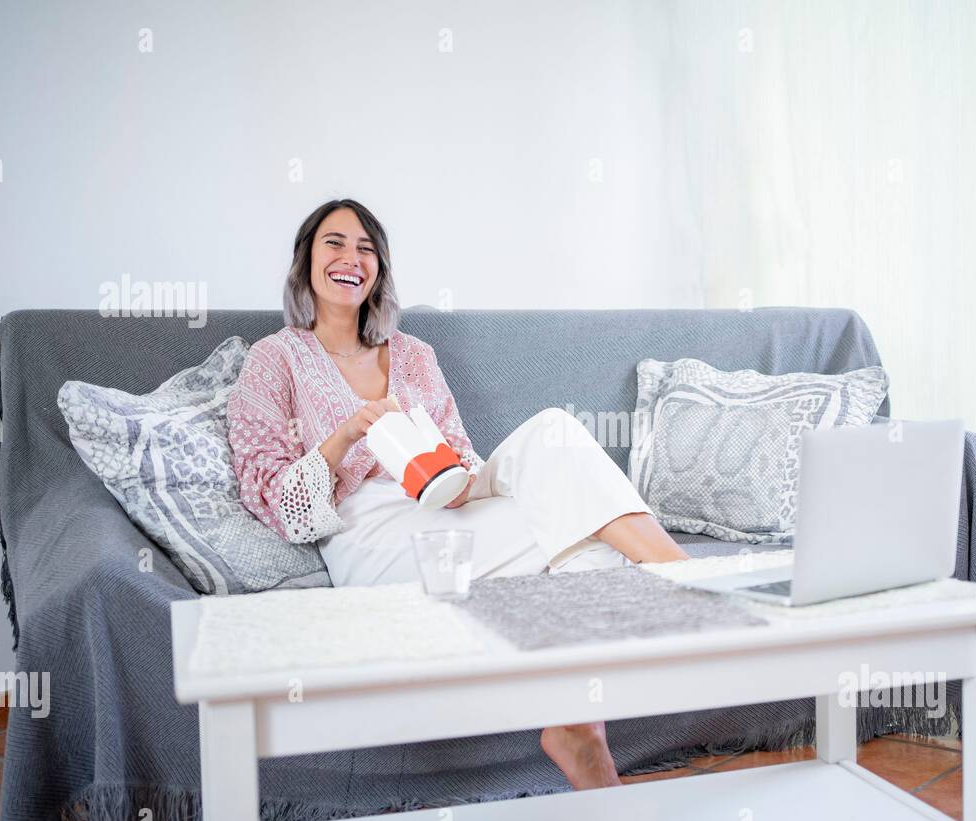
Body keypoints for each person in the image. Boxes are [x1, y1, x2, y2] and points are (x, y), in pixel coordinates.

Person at [227, 198, 690, 790]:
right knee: (582, 530)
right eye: (334, 243)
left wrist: (458, 479)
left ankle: (602, 689)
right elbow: (269, 495)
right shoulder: (275, 360)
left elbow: (459, 450)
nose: (351, 258)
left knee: (555, 436)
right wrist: (344, 437)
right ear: (306, 262)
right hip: (370, 528)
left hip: (447, 501)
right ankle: (592, 718)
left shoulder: (416, 354)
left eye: (366, 248)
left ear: (380, 271)